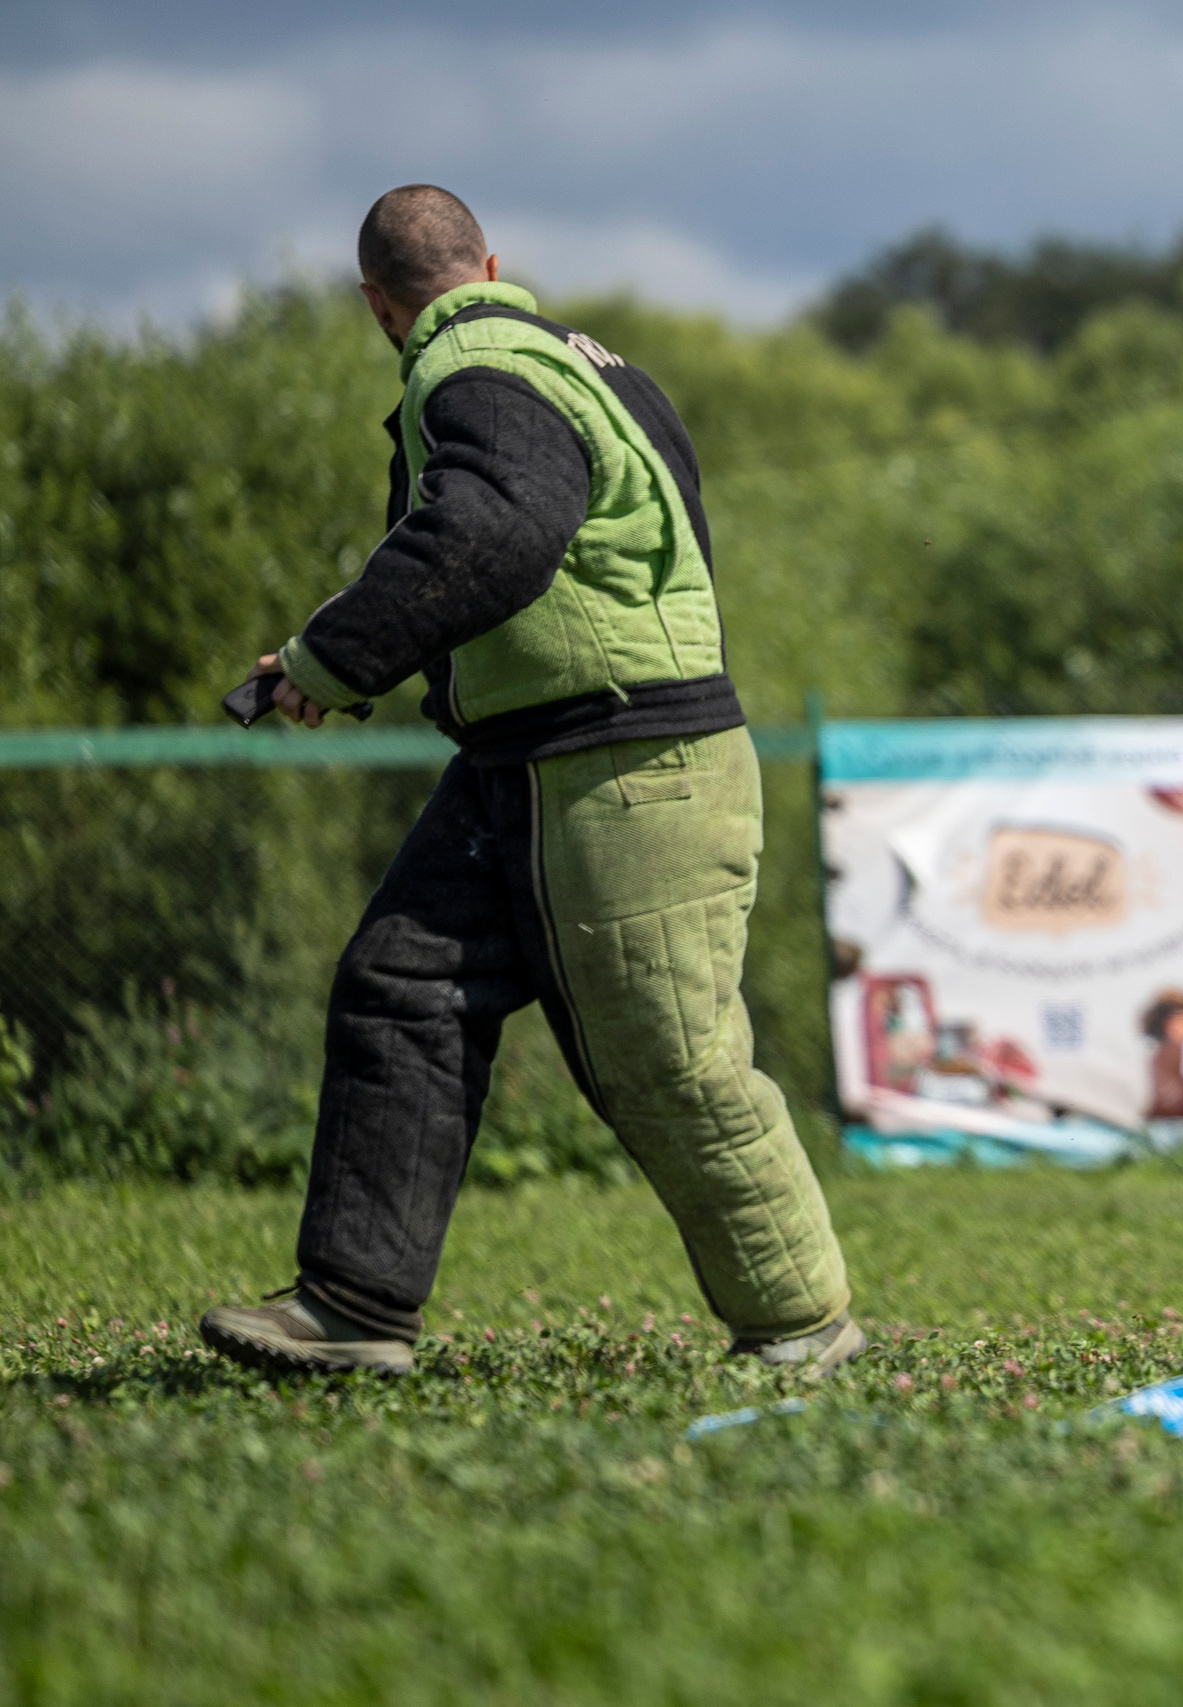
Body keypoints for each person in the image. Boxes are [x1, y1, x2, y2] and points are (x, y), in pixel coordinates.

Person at [198, 186, 857, 1377]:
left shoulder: (476, 375)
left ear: (375, 307)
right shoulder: (593, 365)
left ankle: (803, 1325)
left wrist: (331, 658)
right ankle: (354, 1306)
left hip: (624, 764)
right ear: (493, 262)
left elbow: (493, 535)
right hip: (529, 756)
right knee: (404, 986)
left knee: (669, 1063)